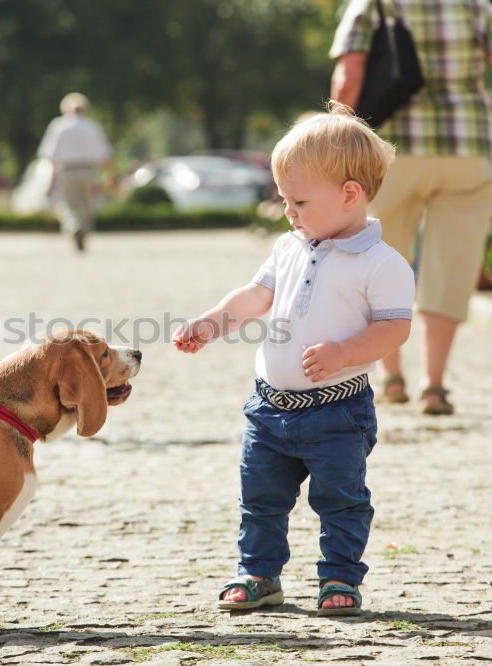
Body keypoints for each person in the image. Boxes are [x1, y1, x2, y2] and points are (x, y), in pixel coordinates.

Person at [173, 107, 415, 615]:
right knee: (259, 499)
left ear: (350, 194)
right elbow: (255, 297)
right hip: (269, 408)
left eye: (299, 201)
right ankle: (258, 574)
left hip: (337, 412)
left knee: (341, 500)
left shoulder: (383, 263)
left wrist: (345, 352)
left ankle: (340, 579)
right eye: (284, 200)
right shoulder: (288, 247)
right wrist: (213, 322)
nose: (289, 212)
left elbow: (395, 328)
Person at [330, 0, 492, 415]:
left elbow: (348, 81)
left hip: (388, 154)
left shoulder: (372, 4)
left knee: (379, 259)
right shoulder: (476, 7)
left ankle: (391, 376)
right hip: (468, 151)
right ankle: (434, 385)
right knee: (451, 268)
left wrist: (338, 146)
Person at [36, 93, 113, 251]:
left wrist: (51, 179)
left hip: (67, 170)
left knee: (68, 203)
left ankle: (74, 226)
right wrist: (108, 176)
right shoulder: (92, 126)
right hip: (87, 170)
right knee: (85, 204)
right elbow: (104, 155)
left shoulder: (58, 126)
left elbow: (50, 155)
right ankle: (83, 229)